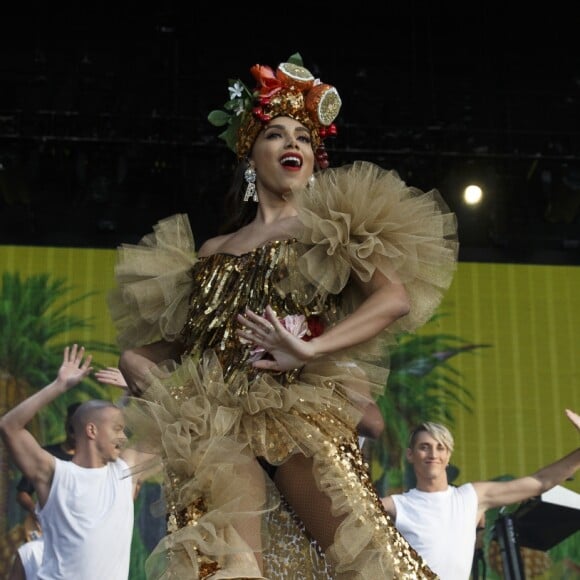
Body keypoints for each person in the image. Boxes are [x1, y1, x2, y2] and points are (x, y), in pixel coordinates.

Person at [108, 52, 458, 578]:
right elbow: (193, 340)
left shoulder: (328, 228)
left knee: (377, 563)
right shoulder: (212, 251)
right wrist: (136, 358)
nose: (292, 142)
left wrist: (311, 348)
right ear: (251, 155)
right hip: (216, 423)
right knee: (228, 568)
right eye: (276, 133)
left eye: (302, 136)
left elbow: (394, 299)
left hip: (296, 414)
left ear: (315, 160)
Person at [0, 344, 146, 580]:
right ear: (91, 431)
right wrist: (58, 386)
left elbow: (171, 425)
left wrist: (137, 392)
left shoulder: (125, 471)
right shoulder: (55, 474)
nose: (124, 437)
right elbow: (9, 427)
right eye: (118, 429)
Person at [381, 413, 580, 580]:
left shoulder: (470, 497)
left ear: (448, 456)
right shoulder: (395, 505)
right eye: (424, 447)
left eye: (440, 447)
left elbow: (540, 481)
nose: (433, 453)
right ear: (410, 455)